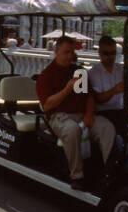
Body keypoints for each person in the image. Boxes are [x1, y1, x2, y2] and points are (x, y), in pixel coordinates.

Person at [36, 36, 115, 191]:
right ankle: (77, 175)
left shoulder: (78, 72)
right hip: (60, 116)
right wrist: (67, 89)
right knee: (72, 130)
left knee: (107, 127)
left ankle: (109, 173)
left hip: (82, 114)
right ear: (56, 51)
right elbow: (47, 105)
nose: (70, 56)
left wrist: (89, 115)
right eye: (66, 52)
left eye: (72, 52)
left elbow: (89, 97)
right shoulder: (47, 75)